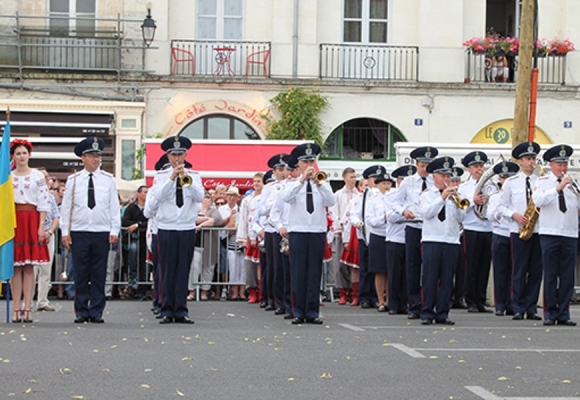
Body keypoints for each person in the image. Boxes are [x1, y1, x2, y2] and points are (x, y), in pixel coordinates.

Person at [60, 137, 120, 324]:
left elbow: (113, 206)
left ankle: (96, 310)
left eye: (98, 156)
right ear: (83, 158)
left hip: (101, 231)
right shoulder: (74, 180)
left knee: (98, 273)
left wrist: (114, 230)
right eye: (92, 156)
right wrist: (64, 232)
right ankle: (81, 310)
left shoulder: (108, 180)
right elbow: (66, 206)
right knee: (80, 272)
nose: (96, 159)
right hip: (79, 230)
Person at [146, 135, 204, 324]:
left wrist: (183, 176)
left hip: (186, 227)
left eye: (180, 154)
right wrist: (172, 178)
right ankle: (166, 309)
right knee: (167, 271)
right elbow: (159, 197)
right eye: (173, 155)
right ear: (168, 156)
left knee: (182, 270)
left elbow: (198, 196)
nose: (176, 158)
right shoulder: (160, 177)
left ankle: (181, 309)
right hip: (166, 227)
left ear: (185, 155)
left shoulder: (194, 176)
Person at [282, 143, 335, 324]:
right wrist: (301, 180)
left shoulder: (323, 182)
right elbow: (286, 198)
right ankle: (298, 312)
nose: (310, 164)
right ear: (299, 164)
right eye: (306, 161)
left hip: (317, 231)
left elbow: (331, 201)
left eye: (312, 160)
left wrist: (319, 184)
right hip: (298, 231)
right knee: (298, 272)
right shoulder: (292, 184)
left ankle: (312, 312)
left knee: (314, 273)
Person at [497, 142, 543, 321]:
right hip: (519, 230)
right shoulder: (511, 182)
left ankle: (531, 307)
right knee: (519, 269)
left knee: (535, 271)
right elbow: (500, 206)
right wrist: (514, 215)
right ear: (520, 161)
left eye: (533, 158)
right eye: (528, 159)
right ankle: (517, 306)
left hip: (539, 230)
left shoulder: (541, 181)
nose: (532, 162)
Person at [533, 144, 578, 326]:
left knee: (567, 276)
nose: (563, 168)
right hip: (550, 233)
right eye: (559, 164)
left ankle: (564, 313)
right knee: (551, 274)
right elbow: (538, 201)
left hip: (570, 233)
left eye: (565, 163)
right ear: (551, 164)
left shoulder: (574, 183)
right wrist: (558, 188)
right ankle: (550, 313)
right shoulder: (543, 182)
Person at [391, 146, 438, 319]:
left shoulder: (436, 181)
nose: (426, 168)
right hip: (413, 226)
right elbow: (395, 203)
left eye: (428, 164)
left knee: (430, 268)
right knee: (412, 267)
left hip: (430, 228)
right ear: (417, 164)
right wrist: (404, 211)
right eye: (423, 165)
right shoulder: (408, 182)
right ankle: (414, 304)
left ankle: (428, 303)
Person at [419, 156, 465, 325]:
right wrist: (442, 198)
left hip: (451, 240)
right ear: (434, 177)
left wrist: (459, 203)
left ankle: (443, 313)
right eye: (443, 176)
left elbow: (462, 217)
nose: (447, 179)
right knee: (430, 278)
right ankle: (427, 312)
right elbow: (427, 213)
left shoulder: (455, 194)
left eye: (448, 176)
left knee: (447, 279)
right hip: (432, 239)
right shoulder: (427, 194)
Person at [10, 139, 51, 323]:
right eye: (18, 153)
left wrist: (41, 225)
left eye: (24, 153)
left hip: (32, 217)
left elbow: (43, 202)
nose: (21, 157)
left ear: (29, 155)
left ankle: (28, 307)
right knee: (15, 267)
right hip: (14, 219)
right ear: (13, 156)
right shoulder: (8, 177)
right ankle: (16, 308)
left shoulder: (37, 176)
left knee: (29, 267)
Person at [458, 151, 495, 313]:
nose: (479, 169)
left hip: (487, 228)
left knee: (484, 266)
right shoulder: (464, 187)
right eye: (475, 167)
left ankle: (481, 300)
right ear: (469, 169)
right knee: (471, 266)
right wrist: (474, 201)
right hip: (472, 228)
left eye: (481, 166)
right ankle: (470, 299)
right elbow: (461, 206)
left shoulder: (491, 186)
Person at [486, 161, 519, 316]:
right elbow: (489, 215)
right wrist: (502, 213)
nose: (506, 180)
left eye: (509, 177)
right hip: (500, 234)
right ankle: (500, 304)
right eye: (503, 177)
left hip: (514, 233)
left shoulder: (518, 195)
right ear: (499, 179)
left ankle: (513, 303)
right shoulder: (495, 197)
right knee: (500, 271)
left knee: (515, 271)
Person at [349, 165, 384, 309]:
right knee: (364, 267)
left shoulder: (385, 196)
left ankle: (377, 296)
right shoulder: (361, 197)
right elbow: (353, 213)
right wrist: (357, 222)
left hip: (379, 235)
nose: (375, 181)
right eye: (373, 178)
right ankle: (365, 296)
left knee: (377, 268)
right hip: (364, 235)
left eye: (378, 178)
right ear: (368, 180)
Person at [384, 165, 415, 314]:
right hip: (395, 238)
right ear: (397, 181)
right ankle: (393, 304)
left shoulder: (415, 196)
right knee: (395, 273)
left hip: (410, 238)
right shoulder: (390, 197)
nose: (405, 182)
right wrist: (405, 213)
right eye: (403, 179)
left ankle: (406, 303)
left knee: (408, 273)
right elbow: (390, 217)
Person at [365, 172, 393, 312]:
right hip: (378, 235)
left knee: (390, 270)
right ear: (378, 185)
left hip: (392, 235)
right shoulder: (373, 200)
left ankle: (389, 299)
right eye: (384, 183)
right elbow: (370, 220)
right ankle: (380, 301)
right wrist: (383, 218)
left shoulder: (394, 198)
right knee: (379, 270)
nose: (386, 186)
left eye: (388, 183)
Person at [331, 167, 358, 305]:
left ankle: (354, 293)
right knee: (340, 264)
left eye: (354, 177)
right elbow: (334, 212)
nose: (353, 179)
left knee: (353, 264)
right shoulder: (338, 195)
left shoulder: (358, 194)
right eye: (351, 177)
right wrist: (339, 228)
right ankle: (342, 291)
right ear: (344, 178)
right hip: (341, 232)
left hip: (354, 232)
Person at [236, 172, 264, 304]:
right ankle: (252, 291)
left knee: (263, 266)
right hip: (250, 237)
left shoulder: (266, 197)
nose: (256, 184)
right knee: (250, 267)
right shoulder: (247, 200)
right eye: (255, 181)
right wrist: (243, 238)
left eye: (259, 181)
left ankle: (263, 291)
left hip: (262, 236)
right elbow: (243, 220)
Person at [36, 167, 61, 312]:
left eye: (47, 177)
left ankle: (42, 301)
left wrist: (50, 232)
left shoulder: (50, 197)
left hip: (48, 236)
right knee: (30, 270)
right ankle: (26, 300)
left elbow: (56, 216)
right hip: (33, 237)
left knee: (46, 269)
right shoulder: (31, 196)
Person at [121, 185, 150, 300]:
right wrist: (139, 224)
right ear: (138, 194)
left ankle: (144, 285)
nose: (146, 194)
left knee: (146, 263)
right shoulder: (131, 208)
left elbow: (151, 221)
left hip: (146, 239)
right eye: (144, 192)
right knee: (133, 252)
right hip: (134, 238)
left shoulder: (149, 208)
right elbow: (125, 221)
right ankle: (133, 282)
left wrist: (138, 225)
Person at [448, 166, 468, 310]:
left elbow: (463, 215)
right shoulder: (443, 195)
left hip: (460, 234)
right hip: (448, 235)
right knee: (448, 269)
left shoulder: (462, 192)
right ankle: (448, 296)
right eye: (452, 180)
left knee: (462, 268)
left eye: (457, 180)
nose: (455, 183)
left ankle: (459, 296)